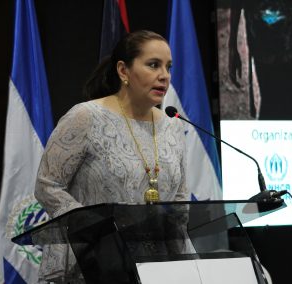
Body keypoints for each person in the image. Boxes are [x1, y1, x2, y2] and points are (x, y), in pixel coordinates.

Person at [34, 30, 188, 283]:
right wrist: (96, 230)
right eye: (153, 65)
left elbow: (179, 200)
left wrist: (181, 264)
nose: (164, 76)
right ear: (123, 71)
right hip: (92, 266)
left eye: (168, 67)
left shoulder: (173, 126)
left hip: (155, 269)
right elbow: (47, 185)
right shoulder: (85, 117)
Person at [229, 0, 292, 120]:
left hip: (275, 48)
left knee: (274, 106)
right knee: (287, 109)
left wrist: (232, 46)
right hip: (284, 48)